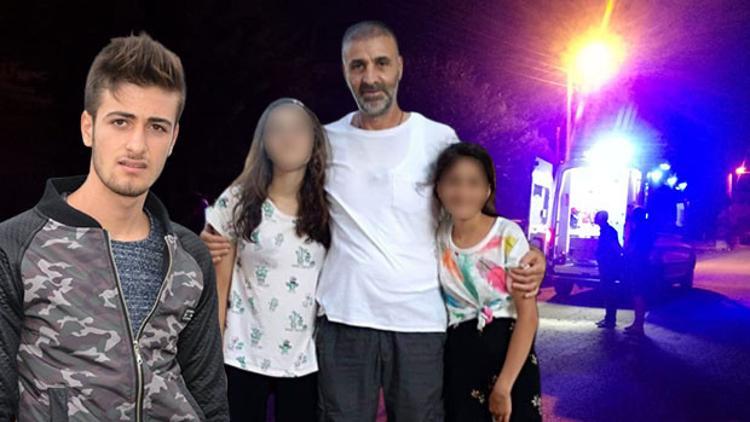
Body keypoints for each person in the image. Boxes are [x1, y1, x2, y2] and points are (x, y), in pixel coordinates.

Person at [201, 21, 547, 422]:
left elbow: (469, 210)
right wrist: (215, 228)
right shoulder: (325, 140)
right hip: (344, 321)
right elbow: (268, 174)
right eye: (358, 65)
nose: (370, 77)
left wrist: (529, 254)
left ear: (399, 67)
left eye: (381, 63)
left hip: (420, 323)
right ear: (345, 71)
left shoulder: (438, 138)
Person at [0, 33, 229, 420]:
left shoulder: (189, 255)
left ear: (173, 138)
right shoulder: (14, 246)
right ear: (88, 128)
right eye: (121, 122)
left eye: (156, 127)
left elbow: (209, 400)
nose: (137, 145)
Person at [204, 98, 330, 421]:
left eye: (298, 129)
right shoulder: (238, 201)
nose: (288, 137)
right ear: (264, 143)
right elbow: (218, 285)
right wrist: (210, 358)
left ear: (314, 140)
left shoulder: (329, 207)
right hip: (242, 355)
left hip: (302, 361)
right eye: (277, 129)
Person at [435, 143, 542, 422]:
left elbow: (528, 316)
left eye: (473, 183)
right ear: (439, 188)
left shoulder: (507, 235)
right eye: (453, 182)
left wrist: (504, 386)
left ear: (487, 190)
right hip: (460, 356)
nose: (462, 192)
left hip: (509, 357)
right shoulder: (438, 235)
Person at [623, 207, 656, 336]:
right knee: (638, 295)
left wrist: (625, 255)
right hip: (643, 265)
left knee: (638, 295)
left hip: (638, 265)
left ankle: (638, 325)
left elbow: (633, 248)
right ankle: (637, 324)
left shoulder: (640, 231)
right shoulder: (647, 229)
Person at [594, 210, 624, 329]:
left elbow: (614, 248)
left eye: (597, 217)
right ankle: (608, 318)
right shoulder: (608, 231)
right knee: (607, 292)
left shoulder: (608, 232)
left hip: (608, 266)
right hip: (607, 265)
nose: (595, 219)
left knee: (609, 292)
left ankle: (610, 320)